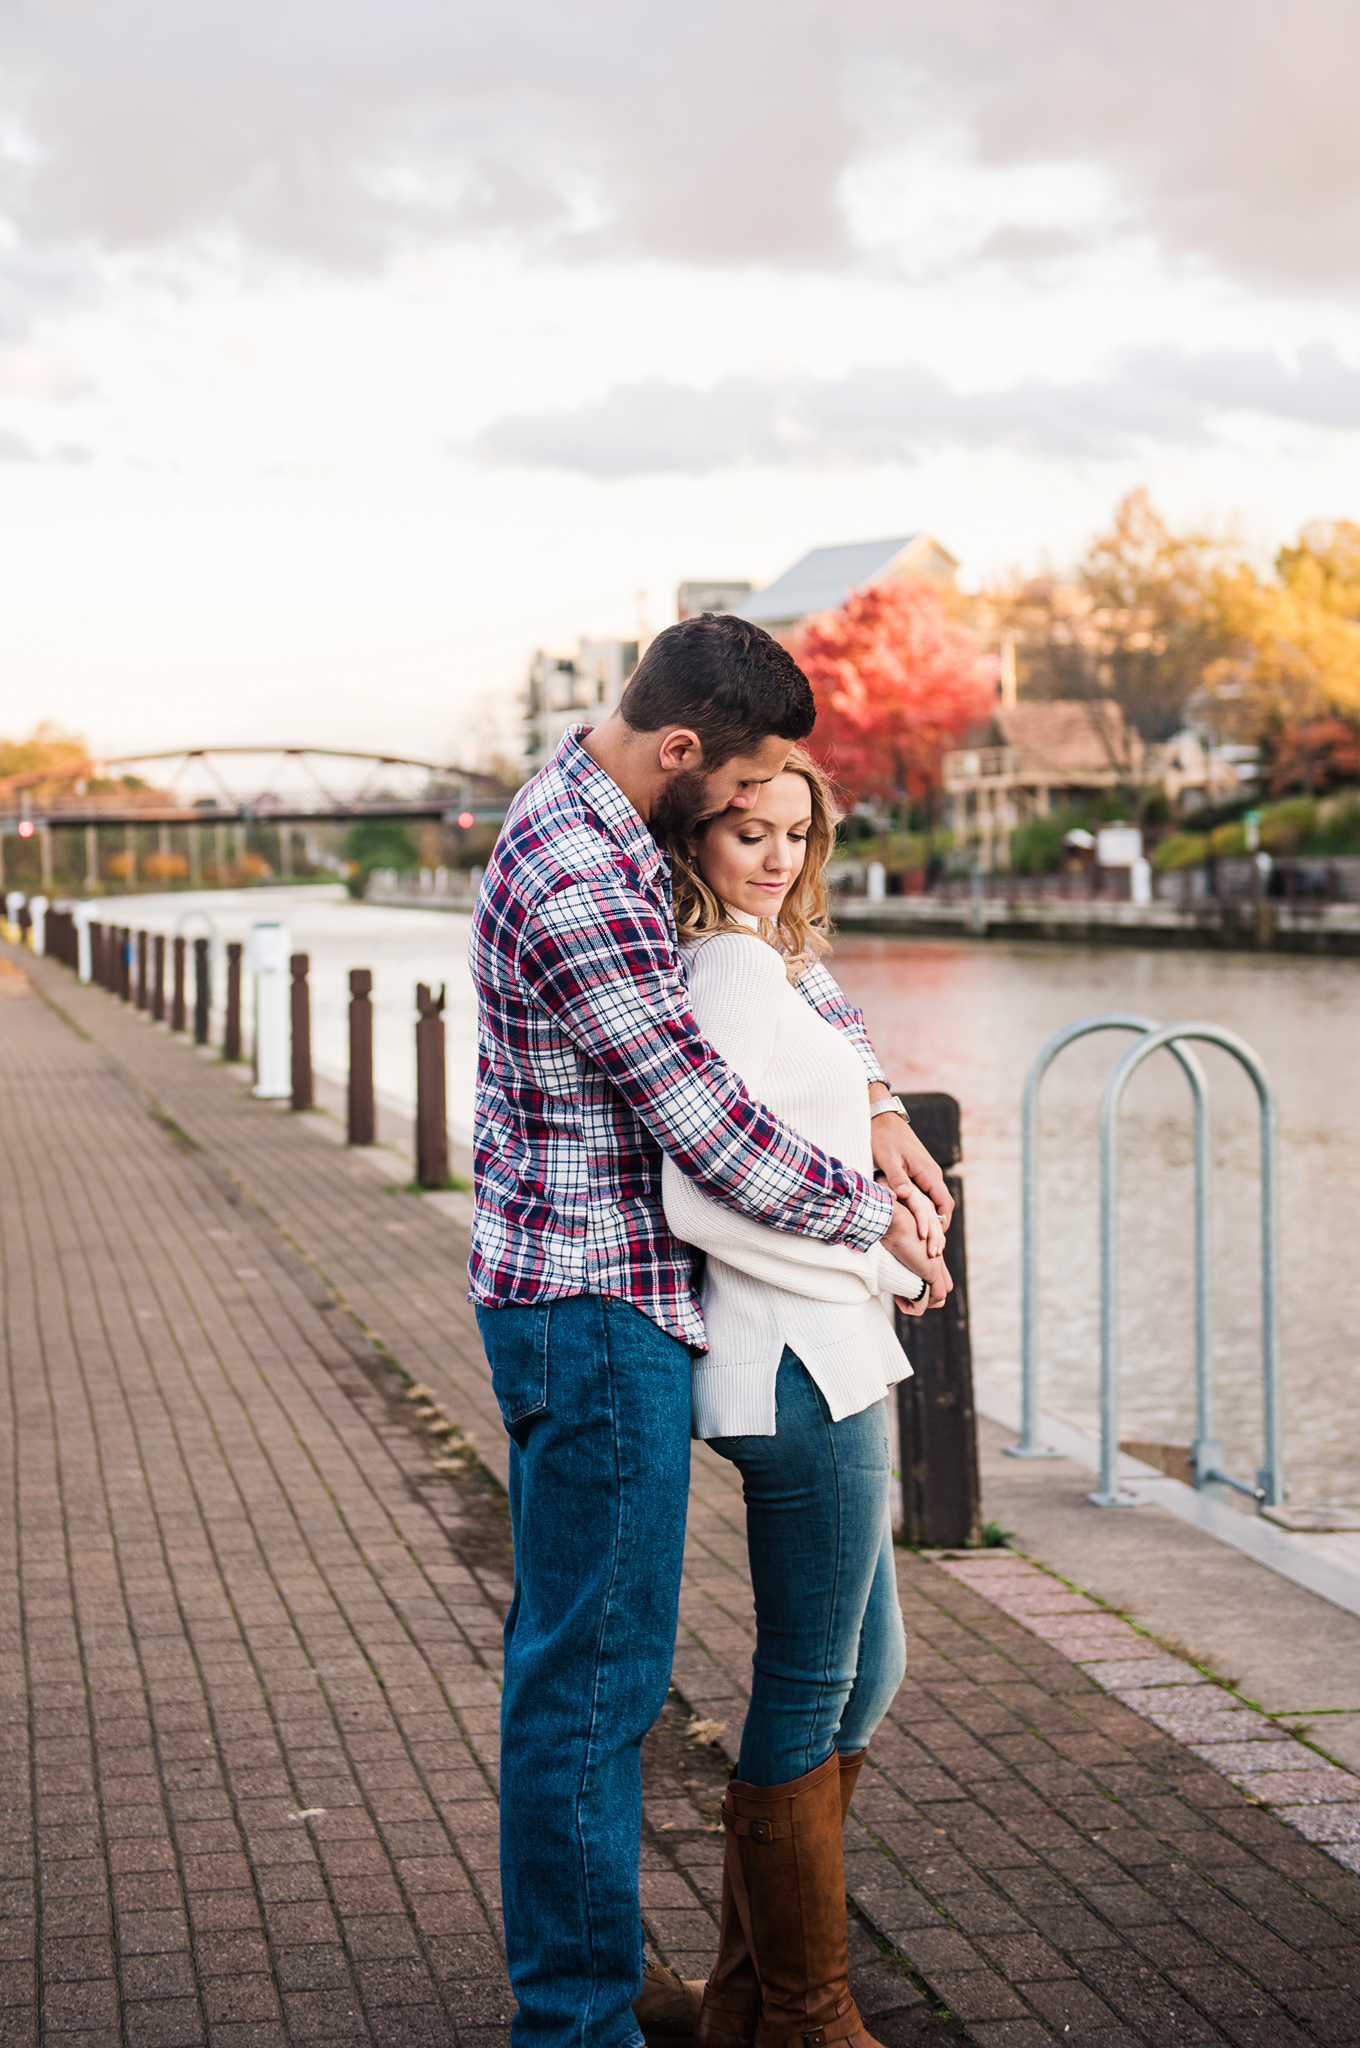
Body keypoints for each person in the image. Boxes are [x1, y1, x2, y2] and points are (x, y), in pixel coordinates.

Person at [469, 613, 952, 2048]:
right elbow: (708, 1128)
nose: (756, 816)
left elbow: (792, 972)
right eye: (739, 787)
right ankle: (579, 2026)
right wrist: (879, 1224)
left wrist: (872, 1102)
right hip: (593, 1305)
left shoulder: (610, 822)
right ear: (682, 750)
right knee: (594, 1687)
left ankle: (628, 1992)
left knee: (598, 1675)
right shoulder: (578, 875)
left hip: (616, 1298)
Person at [661, 748, 947, 2048]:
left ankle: (741, 2001)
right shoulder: (724, 965)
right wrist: (868, 1245)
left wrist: (883, 1117)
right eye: (747, 834)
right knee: (807, 1683)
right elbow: (700, 1190)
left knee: (864, 1672)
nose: (776, 858)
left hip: (826, 1350)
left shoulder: (773, 956)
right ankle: (809, 2015)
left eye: (794, 832)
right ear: (695, 839)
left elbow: (836, 1040)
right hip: (795, 1360)